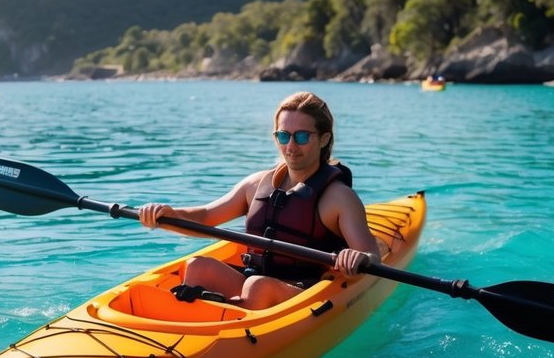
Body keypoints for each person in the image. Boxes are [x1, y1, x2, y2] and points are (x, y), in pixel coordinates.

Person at [138, 91, 378, 310]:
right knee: (198, 266)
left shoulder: (339, 197)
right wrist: (165, 216)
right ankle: (211, 314)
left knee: (258, 287)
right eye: (283, 136)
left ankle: (232, 318)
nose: (291, 146)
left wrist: (358, 258)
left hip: (304, 292)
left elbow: (371, 255)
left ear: (324, 139)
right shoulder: (255, 185)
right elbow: (204, 217)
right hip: (254, 280)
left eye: (302, 136)